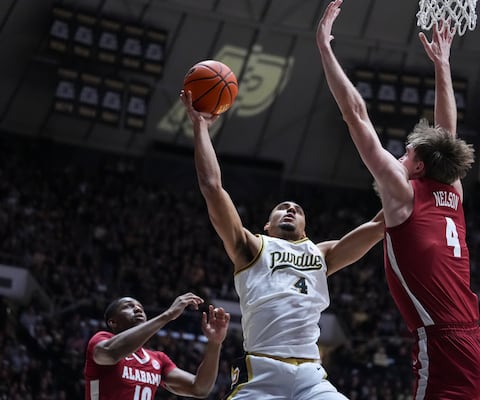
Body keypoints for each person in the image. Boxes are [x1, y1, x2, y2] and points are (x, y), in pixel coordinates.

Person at [317, 1, 480, 399]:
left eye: (405, 153)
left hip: (445, 345)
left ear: (416, 169)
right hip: (475, 341)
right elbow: (447, 132)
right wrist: (442, 64)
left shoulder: (403, 195)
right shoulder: (452, 190)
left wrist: (325, 49)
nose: (399, 156)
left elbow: (356, 115)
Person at [179, 90, 384, 399]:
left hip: (312, 376)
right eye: (283, 207)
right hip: (261, 371)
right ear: (266, 224)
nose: (290, 210)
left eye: (297, 210)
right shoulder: (251, 246)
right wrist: (200, 126)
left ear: (305, 228)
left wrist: (412, 180)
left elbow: (380, 225)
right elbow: (212, 187)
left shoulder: (322, 252)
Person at [84, 292, 230, 399]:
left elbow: (199, 388)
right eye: (128, 306)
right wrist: (168, 315)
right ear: (113, 322)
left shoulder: (157, 359)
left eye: (139, 306)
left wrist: (215, 343)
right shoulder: (101, 340)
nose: (137, 309)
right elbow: (111, 354)